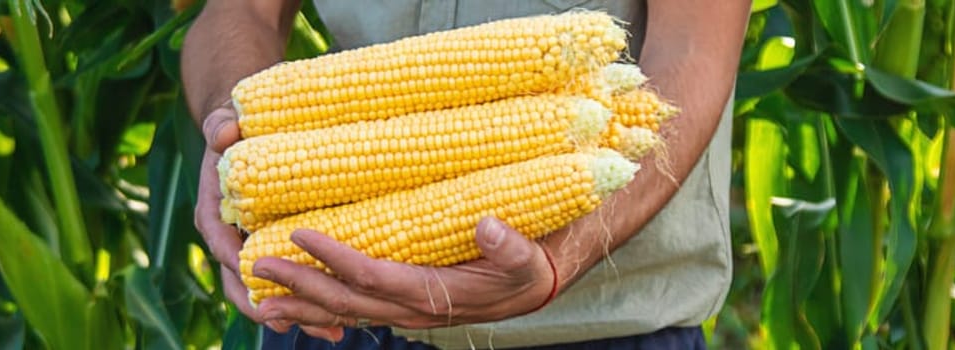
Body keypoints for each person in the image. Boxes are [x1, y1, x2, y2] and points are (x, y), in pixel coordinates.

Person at [182, 1, 748, 348]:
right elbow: (239, 11)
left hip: (597, 330)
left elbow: (693, 48)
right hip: (331, 313)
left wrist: (560, 259)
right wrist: (229, 124)